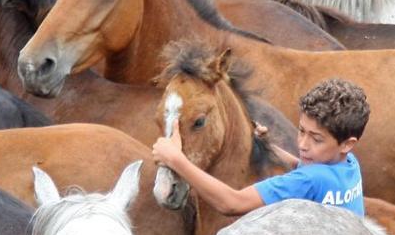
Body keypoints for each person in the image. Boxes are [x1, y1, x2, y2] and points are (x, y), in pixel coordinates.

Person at [152, 78, 369, 216]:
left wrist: (175, 160)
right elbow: (301, 165)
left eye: (316, 139)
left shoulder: (308, 181)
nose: (302, 144)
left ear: (347, 144)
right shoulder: (349, 165)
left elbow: (232, 203)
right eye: (301, 131)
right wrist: (270, 146)